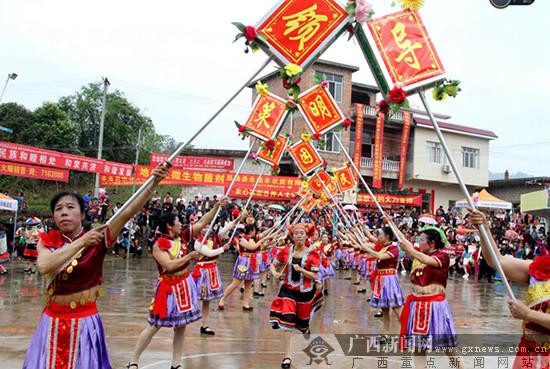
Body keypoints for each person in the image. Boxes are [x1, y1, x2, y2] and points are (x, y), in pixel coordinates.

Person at [23, 163, 170, 369]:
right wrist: (82, 242)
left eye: (70, 207)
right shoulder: (48, 241)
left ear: (82, 214)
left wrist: (154, 182)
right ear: (54, 217)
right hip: (52, 322)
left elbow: (127, 213)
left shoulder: (99, 237)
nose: (64, 212)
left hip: (85, 322)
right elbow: (44, 265)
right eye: (58, 209)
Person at [128, 197, 230, 369]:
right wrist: (190, 256)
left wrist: (216, 208)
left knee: (181, 327)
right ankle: (134, 360)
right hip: (168, 288)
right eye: (178, 222)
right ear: (169, 226)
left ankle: (176, 363)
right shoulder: (158, 245)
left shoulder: (182, 235)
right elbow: (168, 265)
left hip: (185, 284)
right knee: (154, 326)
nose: (181, 224)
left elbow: (203, 221)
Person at [470, 210, 549, 369]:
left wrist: (528, 314)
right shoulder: (540, 268)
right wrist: (484, 228)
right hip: (529, 354)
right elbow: (496, 261)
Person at [386, 218, 463, 368]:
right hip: (417, 305)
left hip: (435, 306)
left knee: (447, 344)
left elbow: (425, 259)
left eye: (421, 240)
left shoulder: (442, 257)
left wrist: (409, 249)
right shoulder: (420, 253)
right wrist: (391, 223)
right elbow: (405, 241)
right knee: (418, 345)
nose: (418, 243)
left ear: (432, 244)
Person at [269, 223, 323, 369]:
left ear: (306, 236)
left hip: (305, 293)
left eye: (301, 233)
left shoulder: (313, 253)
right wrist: (275, 273)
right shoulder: (286, 251)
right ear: (292, 236)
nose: (299, 235)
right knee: (287, 322)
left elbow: (314, 275)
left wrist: (302, 270)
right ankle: (287, 356)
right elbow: (273, 264)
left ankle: (305, 328)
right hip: (287, 291)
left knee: (302, 324)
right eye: (296, 233)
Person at [192, 216, 240, 336]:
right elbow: (209, 252)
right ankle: (181, 321)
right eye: (204, 226)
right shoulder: (198, 241)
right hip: (203, 272)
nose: (207, 228)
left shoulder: (214, 237)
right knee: (194, 299)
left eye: (209, 225)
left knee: (207, 301)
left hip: (212, 269)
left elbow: (224, 230)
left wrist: (236, 220)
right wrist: (222, 249)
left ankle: (205, 325)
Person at [360, 226, 405, 342]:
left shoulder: (393, 248)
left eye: (380, 234)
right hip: (381, 279)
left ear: (387, 236)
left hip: (389, 279)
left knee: (396, 309)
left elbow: (380, 256)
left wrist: (368, 249)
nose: (378, 236)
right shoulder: (384, 247)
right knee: (385, 310)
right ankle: (385, 334)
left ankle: (408, 332)